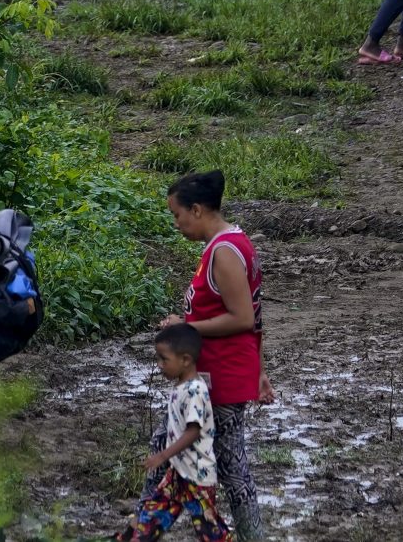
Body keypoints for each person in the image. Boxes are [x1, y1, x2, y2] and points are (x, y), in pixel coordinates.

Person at [161, 174, 263, 539]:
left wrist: (186, 327)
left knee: (232, 472)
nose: (177, 224)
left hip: (222, 378)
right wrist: (260, 369)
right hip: (218, 376)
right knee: (172, 455)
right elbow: (256, 312)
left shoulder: (223, 251)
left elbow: (243, 317)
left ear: (198, 209)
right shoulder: (229, 244)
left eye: (177, 215)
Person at [115, 326, 231, 542]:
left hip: (198, 475)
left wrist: (163, 455)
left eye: (164, 359)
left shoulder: (196, 390)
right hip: (177, 472)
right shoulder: (182, 387)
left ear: (185, 360)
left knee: (211, 531)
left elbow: (193, 432)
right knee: (151, 518)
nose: (159, 365)